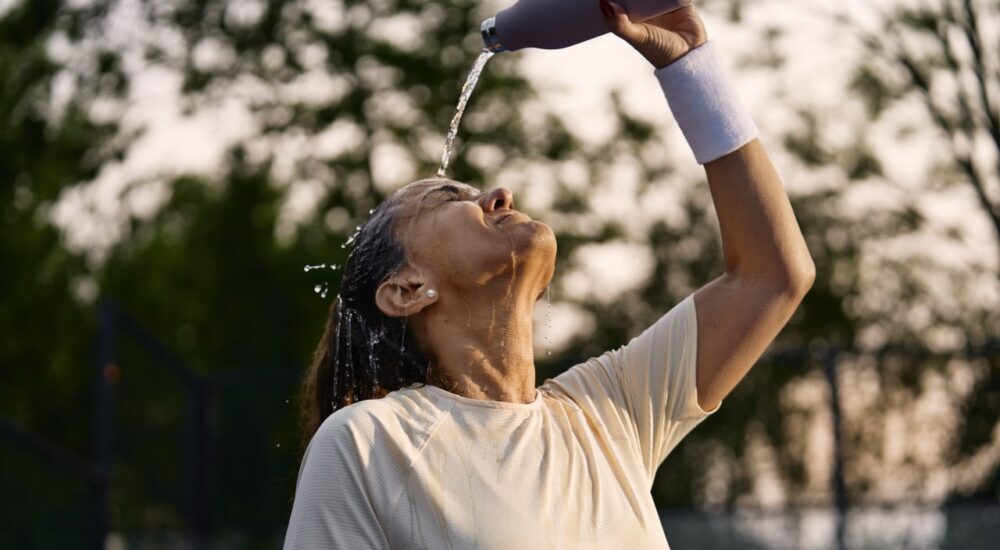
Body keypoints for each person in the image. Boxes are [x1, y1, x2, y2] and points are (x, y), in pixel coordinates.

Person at [284, 2, 815, 548]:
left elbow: (772, 275)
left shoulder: (609, 411)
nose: (498, 195)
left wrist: (691, 70)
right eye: (449, 197)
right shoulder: (368, 444)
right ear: (406, 290)